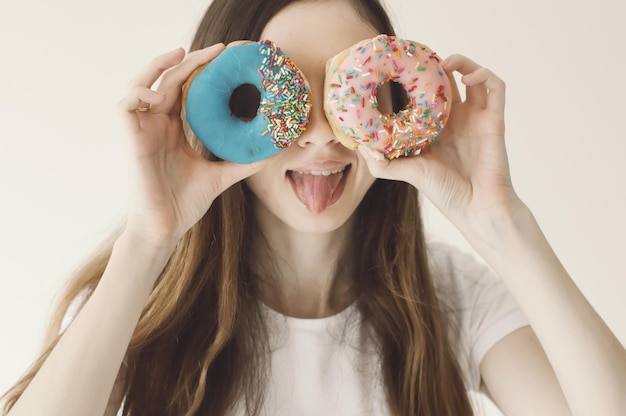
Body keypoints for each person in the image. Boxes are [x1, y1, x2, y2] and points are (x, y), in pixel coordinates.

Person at [2, 0, 625, 415]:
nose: (322, 134)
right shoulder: (140, 303)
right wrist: (147, 239)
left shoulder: (455, 303)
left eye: (350, 89)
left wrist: (501, 223)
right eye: (288, 93)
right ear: (227, 110)